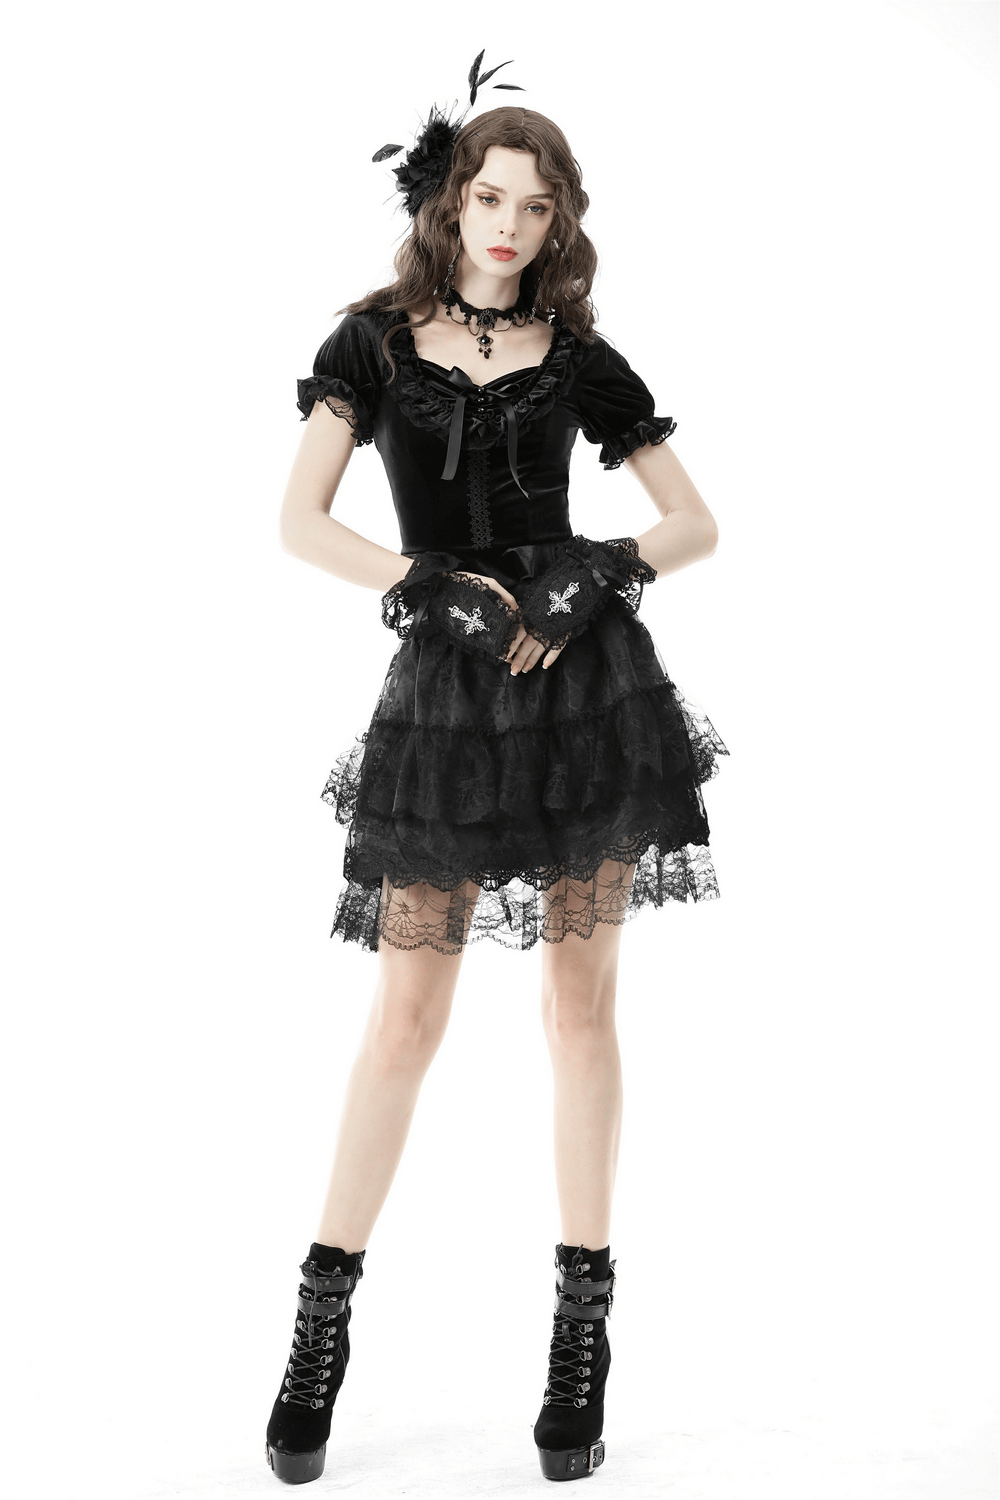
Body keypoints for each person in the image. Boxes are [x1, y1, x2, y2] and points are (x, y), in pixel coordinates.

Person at [265, 54, 728, 1486]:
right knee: (406, 1018)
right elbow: (299, 520)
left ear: (559, 217)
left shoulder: (579, 356)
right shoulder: (371, 344)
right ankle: (319, 1326)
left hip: (585, 691)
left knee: (581, 1011)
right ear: (450, 202)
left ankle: (581, 1339)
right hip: (449, 702)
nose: (512, 226)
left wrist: (595, 574)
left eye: (537, 206)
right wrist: (427, 588)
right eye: (491, 199)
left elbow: (697, 521)